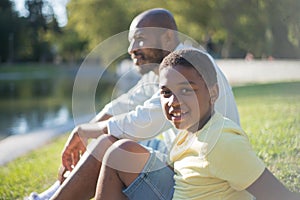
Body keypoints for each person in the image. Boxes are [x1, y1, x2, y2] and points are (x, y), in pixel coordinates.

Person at [26, 8, 239, 200]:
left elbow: (142, 121)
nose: (131, 49)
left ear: (167, 38)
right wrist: (84, 133)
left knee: (110, 144)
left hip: (200, 186)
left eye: (139, 39)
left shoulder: (189, 66)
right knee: (109, 140)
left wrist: (86, 131)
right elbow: (125, 104)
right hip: (181, 160)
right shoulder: (166, 67)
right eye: (130, 41)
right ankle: (50, 195)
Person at [95, 49, 300, 200]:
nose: (173, 101)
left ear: (213, 92)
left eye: (186, 90)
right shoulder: (188, 132)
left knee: (118, 152)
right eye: (166, 93)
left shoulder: (221, 142)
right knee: (119, 153)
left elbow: (279, 195)